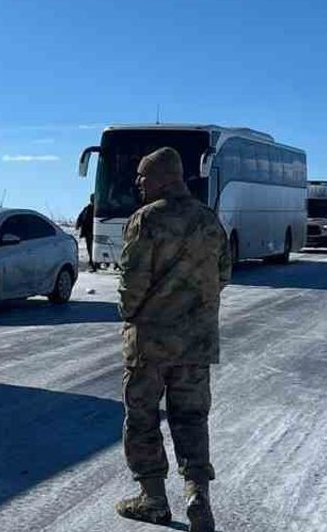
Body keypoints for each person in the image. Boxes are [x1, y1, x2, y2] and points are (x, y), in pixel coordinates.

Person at [116, 147, 231, 532]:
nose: (139, 185)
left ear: (164, 178)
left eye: (143, 178)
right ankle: (197, 492)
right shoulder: (209, 221)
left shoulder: (146, 219)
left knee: (143, 418)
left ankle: (152, 498)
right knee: (192, 418)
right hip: (197, 342)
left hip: (150, 342)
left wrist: (129, 313)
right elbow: (224, 275)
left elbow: (132, 283)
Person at [76, 194, 97, 272]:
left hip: (96, 231)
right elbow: (81, 218)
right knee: (90, 248)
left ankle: (94, 263)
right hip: (89, 232)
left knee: (93, 248)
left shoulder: (99, 208)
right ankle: (92, 263)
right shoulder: (87, 209)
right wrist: (78, 225)